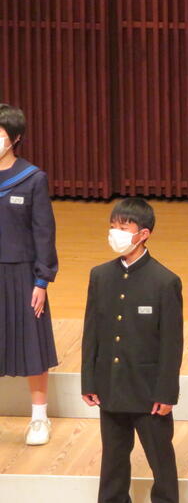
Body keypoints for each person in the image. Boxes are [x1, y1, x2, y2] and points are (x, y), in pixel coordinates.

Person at [81, 198, 183, 502]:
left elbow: (171, 343)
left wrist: (166, 393)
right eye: (113, 226)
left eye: (124, 228)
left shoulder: (165, 281)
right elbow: (91, 334)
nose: (116, 233)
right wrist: (89, 381)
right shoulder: (100, 276)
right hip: (110, 387)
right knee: (112, 461)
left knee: (160, 461)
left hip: (148, 392)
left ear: (144, 233)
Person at [0, 104, 59, 445]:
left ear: (15, 138)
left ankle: (39, 418)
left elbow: (44, 232)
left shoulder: (32, 178)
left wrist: (41, 280)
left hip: (22, 274)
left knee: (32, 345)